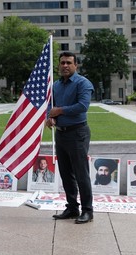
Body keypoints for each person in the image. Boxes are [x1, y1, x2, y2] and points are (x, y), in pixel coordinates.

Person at [45, 51, 94, 224]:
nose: (65, 65)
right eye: (62, 63)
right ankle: (72, 208)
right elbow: (50, 106)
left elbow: (83, 106)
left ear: (76, 65)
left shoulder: (83, 83)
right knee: (66, 173)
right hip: (61, 133)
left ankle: (88, 211)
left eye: (69, 63)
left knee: (81, 173)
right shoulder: (56, 86)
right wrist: (49, 117)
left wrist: (60, 111)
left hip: (77, 133)